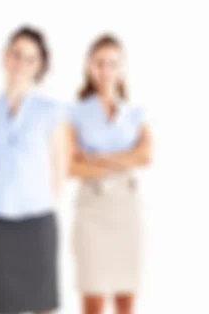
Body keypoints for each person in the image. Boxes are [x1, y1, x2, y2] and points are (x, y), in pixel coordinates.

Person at [0, 26, 67, 314]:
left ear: (39, 65)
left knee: (43, 304)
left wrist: (45, 199)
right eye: (16, 55)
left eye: (30, 59)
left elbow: (59, 166)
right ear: (6, 57)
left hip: (38, 220)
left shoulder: (50, 110)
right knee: (6, 306)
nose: (21, 64)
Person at [68, 34, 152, 314]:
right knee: (92, 297)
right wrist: (124, 158)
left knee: (126, 298)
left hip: (126, 208)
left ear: (122, 68)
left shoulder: (134, 112)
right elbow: (71, 166)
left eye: (112, 64)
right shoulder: (76, 112)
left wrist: (96, 157)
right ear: (89, 67)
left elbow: (146, 156)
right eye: (99, 63)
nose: (105, 71)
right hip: (92, 209)